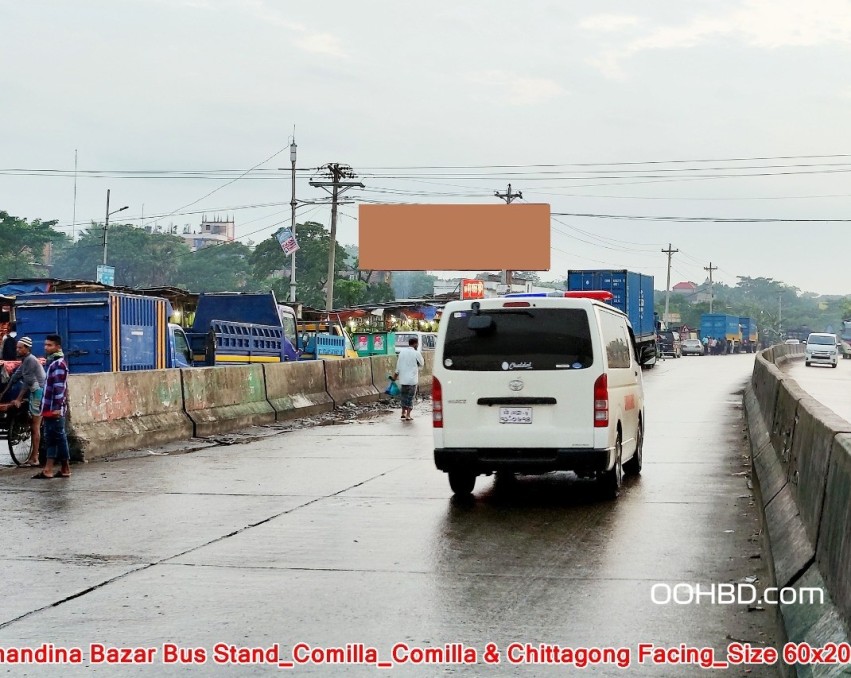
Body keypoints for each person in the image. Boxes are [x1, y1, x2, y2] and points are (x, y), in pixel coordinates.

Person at [0, 336, 45, 466]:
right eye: (17, 348)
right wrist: (3, 393)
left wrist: (19, 399)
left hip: (38, 392)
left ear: (27, 348)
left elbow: (27, 383)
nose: (17, 350)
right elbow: (15, 377)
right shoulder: (25, 361)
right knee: (32, 425)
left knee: (35, 427)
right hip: (33, 391)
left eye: (20, 348)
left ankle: (35, 458)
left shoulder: (31, 360)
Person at [33, 334, 70, 479]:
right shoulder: (53, 363)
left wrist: (56, 408)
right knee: (53, 438)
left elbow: (60, 388)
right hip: (49, 408)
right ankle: (49, 469)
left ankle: (63, 468)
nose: (46, 347)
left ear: (57, 347)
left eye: (50, 345)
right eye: (45, 345)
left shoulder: (58, 364)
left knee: (58, 437)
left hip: (54, 409)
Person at [394, 336, 424, 422]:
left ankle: (403, 412)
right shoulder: (416, 353)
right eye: (417, 343)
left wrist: (394, 377)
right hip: (412, 381)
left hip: (403, 380)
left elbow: (398, 367)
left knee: (403, 397)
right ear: (415, 344)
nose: (417, 345)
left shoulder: (402, 353)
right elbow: (422, 363)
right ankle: (408, 415)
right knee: (410, 398)